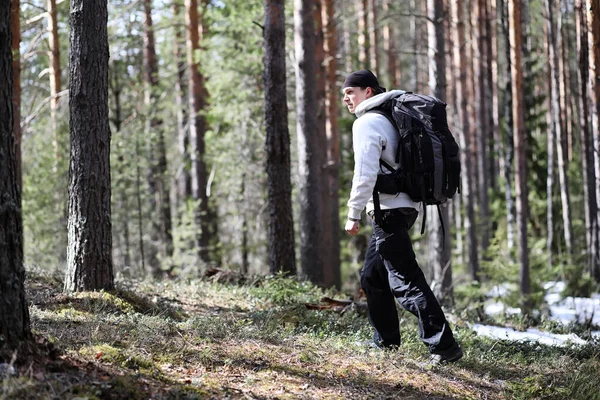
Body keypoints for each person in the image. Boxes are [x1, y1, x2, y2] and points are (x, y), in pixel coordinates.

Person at [342, 69, 463, 364]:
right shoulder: (387, 119)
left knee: (405, 280)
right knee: (373, 276)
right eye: (344, 94)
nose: (345, 98)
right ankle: (385, 343)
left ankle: (443, 346)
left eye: (350, 92)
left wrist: (352, 212)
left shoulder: (367, 122)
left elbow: (365, 173)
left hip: (388, 210)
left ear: (368, 92)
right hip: (404, 207)